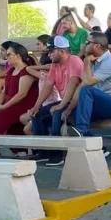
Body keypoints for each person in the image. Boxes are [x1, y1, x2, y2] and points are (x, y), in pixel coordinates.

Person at [63, 32, 111, 138]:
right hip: (103, 103)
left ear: (97, 45)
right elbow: (82, 86)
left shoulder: (110, 62)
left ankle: (82, 129)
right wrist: (69, 109)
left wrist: (86, 62)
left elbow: (88, 82)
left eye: (88, 42)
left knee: (87, 90)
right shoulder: (94, 61)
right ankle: (97, 146)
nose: (84, 45)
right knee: (71, 115)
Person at [29, 36, 83, 165]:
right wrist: (36, 106)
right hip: (65, 101)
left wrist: (61, 105)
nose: (49, 54)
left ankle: (57, 155)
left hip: (77, 102)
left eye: (52, 51)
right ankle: (43, 152)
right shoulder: (55, 65)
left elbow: (73, 83)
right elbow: (48, 85)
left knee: (57, 114)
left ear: (62, 51)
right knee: (36, 114)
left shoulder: (74, 60)